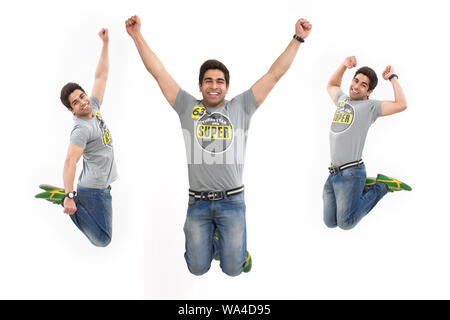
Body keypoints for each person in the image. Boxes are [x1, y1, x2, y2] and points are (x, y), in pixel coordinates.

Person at [125, 15, 311, 276]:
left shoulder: (242, 107)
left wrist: (298, 38)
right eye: (208, 81)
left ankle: (232, 251)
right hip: (198, 203)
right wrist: (137, 36)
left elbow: (274, 74)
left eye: (220, 81)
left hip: (232, 201)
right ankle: (214, 242)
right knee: (197, 268)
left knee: (233, 269)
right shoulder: (187, 107)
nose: (214, 86)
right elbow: (159, 72)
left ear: (227, 86)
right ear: (200, 86)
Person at [36, 28, 117, 247]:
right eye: (75, 102)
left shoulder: (94, 106)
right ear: (71, 110)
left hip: (103, 188)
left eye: (81, 96)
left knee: (103, 238)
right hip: (92, 192)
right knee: (102, 240)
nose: (82, 102)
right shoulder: (81, 129)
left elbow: (101, 75)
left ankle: (66, 196)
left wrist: (105, 43)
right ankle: (63, 198)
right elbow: (70, 161)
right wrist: (70, 194)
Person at [324, 56, 411, 230]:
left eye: (363, 85)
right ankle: (363, 189)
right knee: (330, 222)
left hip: (352, 171)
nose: (356, 86)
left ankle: (382, 186)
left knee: (346, 223)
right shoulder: (342, 100)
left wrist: (393, 78)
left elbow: (401, 104)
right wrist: (343, 65)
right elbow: (332, 85)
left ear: (369, 91)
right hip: (334, 173)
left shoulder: (371, 107)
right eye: (355, 81)